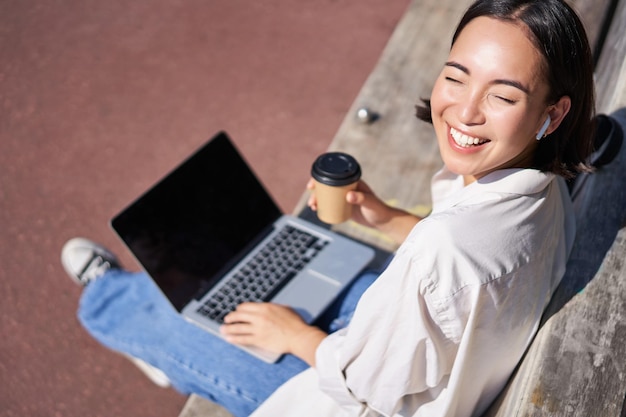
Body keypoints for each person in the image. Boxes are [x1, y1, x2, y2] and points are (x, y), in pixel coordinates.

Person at [61, 0, 596, 416]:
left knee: (178, 318)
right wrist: (384, 218)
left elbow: (364, 394)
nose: (465, 110)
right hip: (451, 359)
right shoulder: (546, 187)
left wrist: (293, 336)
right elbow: (454, 275)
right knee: (302, 269)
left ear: (552, 113)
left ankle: (110, 296)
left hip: (358, 401)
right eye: (456, 76)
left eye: (502, 96)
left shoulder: (442, 250)